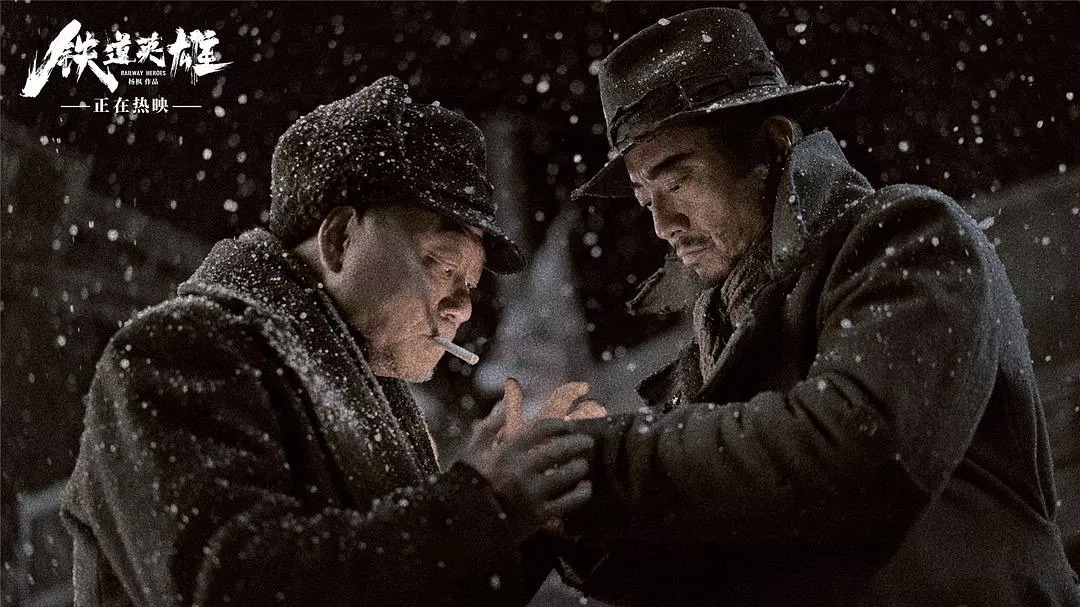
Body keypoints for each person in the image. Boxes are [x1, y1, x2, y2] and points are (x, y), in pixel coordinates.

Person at [559, 7, 1080, 605]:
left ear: (774, 142)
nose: (662, 224)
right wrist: (565, 499)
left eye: (677, 181)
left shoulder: (906, 235)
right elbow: (695, 561)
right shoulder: (712, 343)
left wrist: (608, 457)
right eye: (644, 198)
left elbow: (858, 447)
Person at [61, 75, 598, 606]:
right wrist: (484, 506)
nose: (461, 308)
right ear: (340, 239)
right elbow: (235, 587)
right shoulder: (177, 351)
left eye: (470, 286)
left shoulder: (375, 395)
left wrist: (532, 516)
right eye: (440, 265)